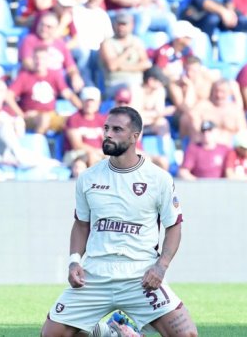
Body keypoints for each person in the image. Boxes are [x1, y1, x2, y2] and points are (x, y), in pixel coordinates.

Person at [40, 106, 198, 337]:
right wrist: (74, 261)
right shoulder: (88, 178)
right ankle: (108, 333)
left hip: (140, 277)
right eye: (106, 128)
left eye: (117, 129)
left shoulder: (158, 178)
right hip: (95, 275)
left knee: (187, 335)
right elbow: (81, 224)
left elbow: (174, 226)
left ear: (135, 136)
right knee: (51, 335)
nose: (108, 134)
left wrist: (161, 267)